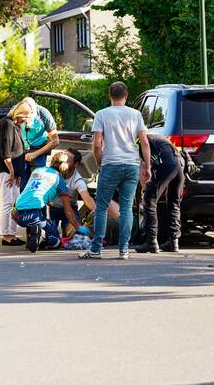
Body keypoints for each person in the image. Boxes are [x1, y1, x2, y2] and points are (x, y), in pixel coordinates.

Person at [80, 81, 150, 260]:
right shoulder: (135, 115)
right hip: (131, 165)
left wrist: (100, 162)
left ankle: (96, 249)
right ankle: (124, 249)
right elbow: (144, 142)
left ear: (109, 95)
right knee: (127, 208)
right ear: (126, 96)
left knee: (102, 207)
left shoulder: (101, 114)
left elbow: (96, 144)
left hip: (110, 164)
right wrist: (147, 166)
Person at [13, 151, 75, 252]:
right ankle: (41, 226)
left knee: (38, 206)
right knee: (55, 239)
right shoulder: (60, 181)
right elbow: (68, 210)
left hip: (17, 213)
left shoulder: (37, 170)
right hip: (34, 213)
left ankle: (32, 237)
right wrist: (78, 227)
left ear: (52, 161)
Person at [48, 148, 117, 238]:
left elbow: (87, 198)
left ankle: (68, 232)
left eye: (67, 161)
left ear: (76, 164)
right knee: (50, 235)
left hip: (70, 209)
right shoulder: (52, 173)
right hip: (53, 208)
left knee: (74, 233)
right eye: (62, 160)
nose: (62, 163)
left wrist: (96, 211)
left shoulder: (78, 181)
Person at [134, 133, 185, 253]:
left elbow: (144, 170)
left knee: (149, 199)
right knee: (174, 203)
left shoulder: (141, 141)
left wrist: (144, 191)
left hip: (166, 163)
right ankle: (173, 242)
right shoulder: (157, 137)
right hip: (179, 164)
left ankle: (151, 242)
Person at [0, 101, 31, 246]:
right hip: (4, 170)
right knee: (7, 202)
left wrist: (18, 174)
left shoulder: (15, 126)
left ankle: (11, 234)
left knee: (15, 202)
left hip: (12, 172)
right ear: (18, 114)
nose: (25, 121)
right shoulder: (7, 124)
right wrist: (12, 172)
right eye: (24, 117)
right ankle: (6, 235)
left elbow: (18, 150)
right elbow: (5, 151)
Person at [17, 97, 59, 188]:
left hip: (38, 152)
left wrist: (35, 154)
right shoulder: (16, 112)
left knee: (36, 185)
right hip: (20, 152)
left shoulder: (43, 114)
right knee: (20, 186)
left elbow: (55, 140)